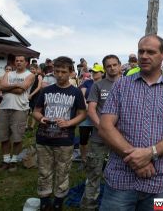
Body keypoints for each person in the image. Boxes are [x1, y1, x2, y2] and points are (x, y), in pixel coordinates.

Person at [98, 35, 163, 210]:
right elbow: (105, 127)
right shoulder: (121, 85)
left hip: (159, 179)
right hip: (121, 177)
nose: (144, 56)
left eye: (151, 52)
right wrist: (137, 159)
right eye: (141, 51)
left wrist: (150, 153)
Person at [33, 56, 86, 211]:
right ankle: (44, 198)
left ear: (71, 72)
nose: (60, 75)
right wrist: (41, 118)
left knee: (62, 171)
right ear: (53, 71)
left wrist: (69, 123)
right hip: (44, 138)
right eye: (57, 71)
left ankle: (58, 199)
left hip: (64, 140)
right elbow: (35, 111)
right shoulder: (46, 90)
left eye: (64, 71)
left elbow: (83, 113)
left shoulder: (76, 92)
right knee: (44, 171)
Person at [81, 55, 122, 210]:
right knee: (94, 173)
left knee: (119, 174)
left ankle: (115, 205)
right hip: (100, 137)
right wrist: (104, 129)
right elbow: (91, 110)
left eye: (114, 65)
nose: (112, 68)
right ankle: (89, 206)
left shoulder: (129, 84)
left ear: (119, 66)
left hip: (122, 138)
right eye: (109, 66)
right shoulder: (98, 85)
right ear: (105, 68)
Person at [0, 55, 35, 172]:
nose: (18, 63)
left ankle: (14, 161)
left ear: (26, 63)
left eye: (21, 61)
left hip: (20, 108)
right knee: (4, 136)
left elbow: (20, 91)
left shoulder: (30, 75)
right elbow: (1, 87)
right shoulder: (9, 74)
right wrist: (17, 84)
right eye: (17, 61)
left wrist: (8, 87)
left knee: (17, 137)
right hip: (4, 107)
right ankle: (6, 160)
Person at [78, 64, 105, 163]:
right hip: (86, 114)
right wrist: (87, 107)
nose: (93, 73)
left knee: (99, 139)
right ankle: (84, 158)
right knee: (83, 138)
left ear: (102, 73)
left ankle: (99, 158)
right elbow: (82, 95)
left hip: (100, 115)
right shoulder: (87, 83)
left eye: (96, 72)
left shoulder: (106, 84)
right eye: (92, 71)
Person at [0, 65, 12, 134]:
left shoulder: (13, 79)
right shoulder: (1, 77)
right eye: (7, 69)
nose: (8, 70)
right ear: (5, 70)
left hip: (9, 98)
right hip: (0, 96)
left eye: (10, 69)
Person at [27, 64, 43, 131]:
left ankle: (32, 126)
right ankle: (25, 125)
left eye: (33, 69)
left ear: (36, 70)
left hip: (36, 95)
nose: (32, 70)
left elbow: (39, 87)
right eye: (31, 69)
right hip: (27, 94)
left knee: (34, 110)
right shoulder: (28, 76)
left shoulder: (39, 76)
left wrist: (31, 95)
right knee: (27, 110)